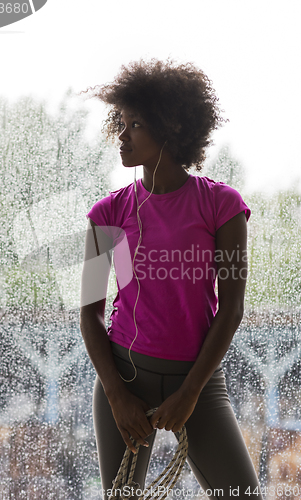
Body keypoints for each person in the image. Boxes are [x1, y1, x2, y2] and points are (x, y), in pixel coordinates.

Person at [80, 59, 262, 500]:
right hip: (122, 381)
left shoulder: (223, 207)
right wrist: (117, 397)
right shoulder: (108, 215)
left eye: (136, 124)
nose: (122, 136)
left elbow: (231, 308)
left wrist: (190, 393)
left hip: (197, 383)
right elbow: (91, 315)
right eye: (120, 123)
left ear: (173, 126)